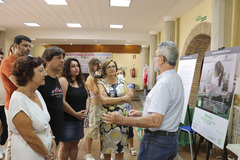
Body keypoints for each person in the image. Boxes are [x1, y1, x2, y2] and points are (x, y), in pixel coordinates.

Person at [102, 41, 184, 160]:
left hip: (157, 141)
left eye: (155, 56)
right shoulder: (176, 79)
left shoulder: (164, 84)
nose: (153, 60)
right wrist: (141, 113)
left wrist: (123, 120)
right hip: (169, 139)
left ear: (161, 59)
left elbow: (155, 120)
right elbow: (166, 109)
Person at [9, 56, 56, 160]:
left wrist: (52, 141)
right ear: (27, 74)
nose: (46, 74)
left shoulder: (37, 93)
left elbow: (45, 122)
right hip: (28, 153)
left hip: (44, 151)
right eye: (41, 70)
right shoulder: (18, 99)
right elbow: (29, 137)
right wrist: (48, 155)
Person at [0, 35, 31, 160]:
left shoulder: (25, 62)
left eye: (29, 46)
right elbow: (19, 84)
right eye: (25, 45)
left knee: (24, 138)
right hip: (13, 105)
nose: (28, 48)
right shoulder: (7, 62)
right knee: (12, 138)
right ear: (15, 46)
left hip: (27, 102)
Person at [97, 60, 132, 160]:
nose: (112, 68)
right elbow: (104, 101)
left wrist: (111, 100)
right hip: (107, 118)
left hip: (122, 117)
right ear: (104, 70)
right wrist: (121, 99)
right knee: (107, 148)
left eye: (113, 66)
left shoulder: (122, 81)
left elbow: (128, 97)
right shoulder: (101, 83)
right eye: (109, 67)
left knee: (120, 148)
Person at [58, 58, 89, 160]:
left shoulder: (81, 81)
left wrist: (86, 111)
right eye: (73, 66)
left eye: (77, 66)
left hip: (79, 119)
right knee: (65, 146)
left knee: (75, 144)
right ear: (67, 68)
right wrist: (75, 114)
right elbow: (61, 101)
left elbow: (88, 97)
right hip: (67, 119)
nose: (76, 68)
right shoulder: (63, 80)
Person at [38, 46, 65, 146]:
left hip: (56, 127)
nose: (62, 61)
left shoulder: (56, 78)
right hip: (45, 130)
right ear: (47, 60)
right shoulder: (41, 79)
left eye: (63, 58)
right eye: (58, 58)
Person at [84, 58, 103, 160]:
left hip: (103, 107)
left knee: (103, 132)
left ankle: (103, 152)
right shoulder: (90, 78)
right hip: (95, 108)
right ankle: (88, 154)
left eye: (100, 66)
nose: (100, 68)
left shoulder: (100, 78)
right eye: (98, 66)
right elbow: (96, 91)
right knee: (91, 131)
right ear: (92, 66)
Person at [116, 68, 137, 156]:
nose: (119, 75)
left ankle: (131, 147)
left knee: (130, 130)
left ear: (124, 75)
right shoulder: (114, 86)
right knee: (118, 130)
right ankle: (118, 146)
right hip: (117, 111)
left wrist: (123, 83)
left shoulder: (129, 85)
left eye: (121, 73)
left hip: (127, 111)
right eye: (118, 73)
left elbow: (131, 95)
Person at [0, 51, 8, 159]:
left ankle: (2, 145)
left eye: (2, 57)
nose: (0, 60)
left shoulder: (5, 71)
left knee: (6, 126)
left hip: (5, 103)